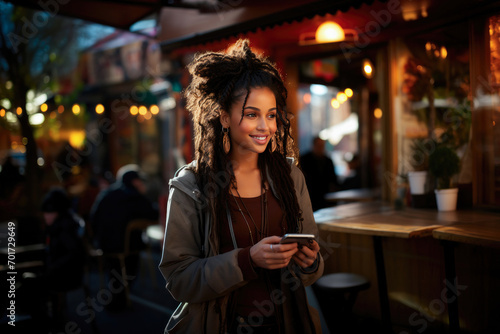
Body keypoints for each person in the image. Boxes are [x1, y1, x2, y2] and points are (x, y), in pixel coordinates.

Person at [159, 39, 324, 334]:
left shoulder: (290, 177)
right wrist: (248, 260)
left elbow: (311, 267)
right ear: (224, 117)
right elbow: (179, 280)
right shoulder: (191, 186)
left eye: (271, 115)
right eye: (252, 114)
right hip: (223, 324)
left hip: (288, 322)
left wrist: (310, 262)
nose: (265, 127)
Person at [89, 164, 159, 309]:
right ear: (135, 182)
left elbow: (93, 218)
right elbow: (153, 216)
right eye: (140, 181)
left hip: (104, 246)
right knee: (128, 265)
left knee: (115, 270)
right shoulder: (135, 196)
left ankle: (117, 296)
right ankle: (121, 298)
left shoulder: (106, 194)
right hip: (127, 247)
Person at [17, 187, 86, 329]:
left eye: (50, 212)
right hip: (63, 275)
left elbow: (73, 254)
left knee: (25, 287)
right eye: (45, 213)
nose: (46, 216)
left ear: (59, 212)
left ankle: (47, 324)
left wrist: (51, 268)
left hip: (65, 277)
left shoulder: (65, 229)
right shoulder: (63, 225)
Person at [300, 136, 339, 211]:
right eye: (319, 145)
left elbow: (333, 179)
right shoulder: (305, 159)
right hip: (310, 195)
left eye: (322, 146)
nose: (321, 148)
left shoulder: (328, 161)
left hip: (325, 196)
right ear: (313, 145)